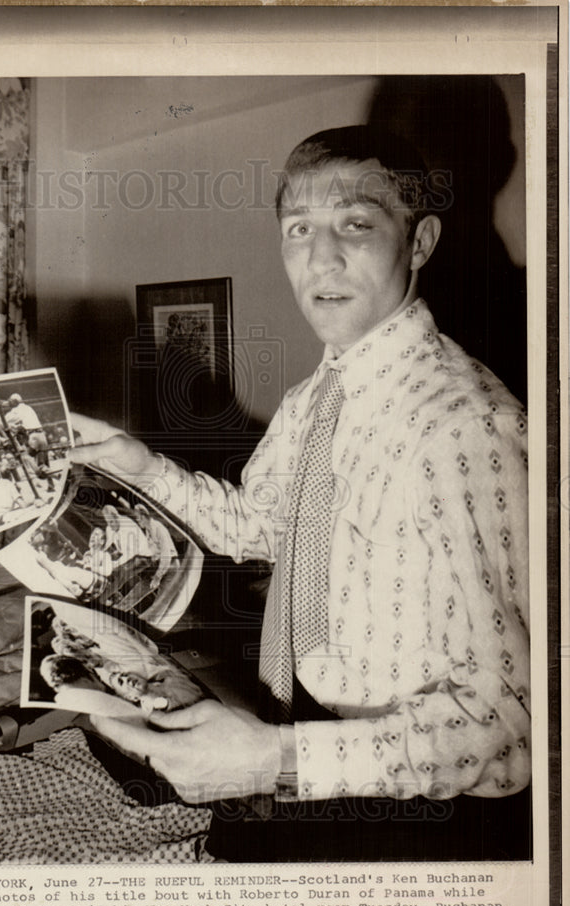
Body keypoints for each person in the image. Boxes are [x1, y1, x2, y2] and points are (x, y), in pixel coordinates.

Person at [68, 125, 530, 860]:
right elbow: (257, 529)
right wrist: (142, 465)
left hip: (418, 804)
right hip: (303, 738)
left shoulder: (463, 426)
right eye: (297, 230)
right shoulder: (315, 395)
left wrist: (272, 761)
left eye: (355, 223)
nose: (321, 257)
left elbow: (508, 729)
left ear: (419, 242)